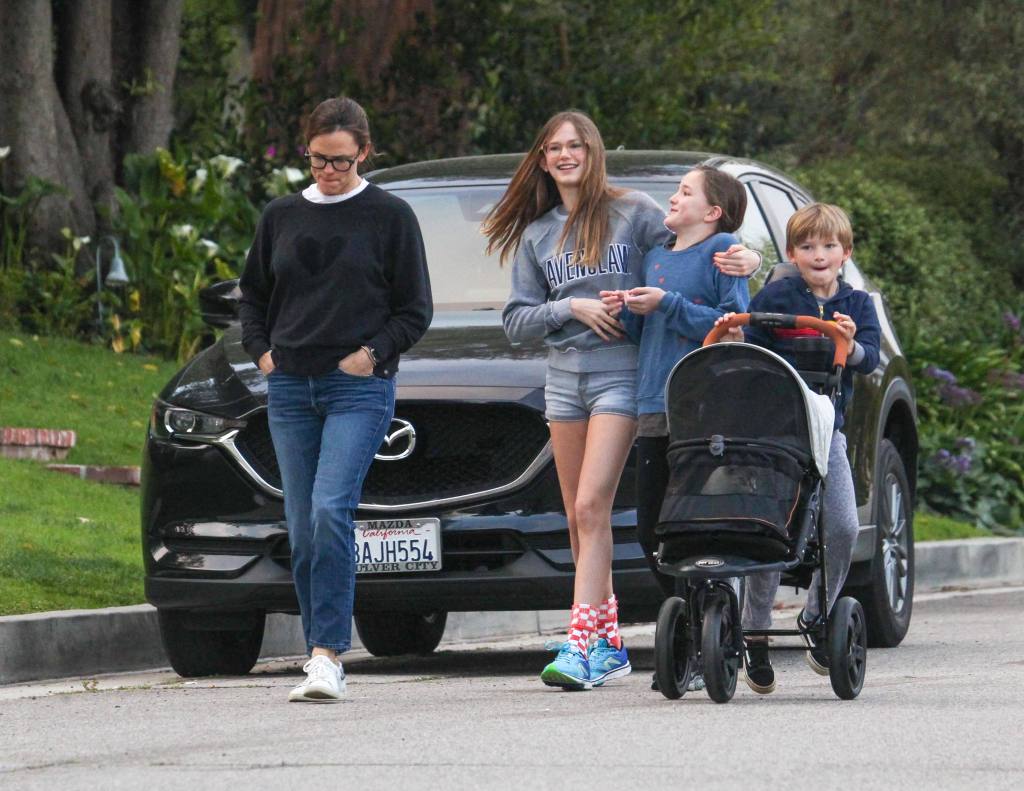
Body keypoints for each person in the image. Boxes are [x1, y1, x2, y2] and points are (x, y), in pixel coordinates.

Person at [483, 110, 760, 690]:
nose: (565, 155)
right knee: (577, 519)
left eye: (576, 145)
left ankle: (580, 640)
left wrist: (749, 258)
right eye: (554, 147)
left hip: (621, 376)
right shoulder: (537, 233)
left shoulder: (632, 212)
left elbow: (696, 247)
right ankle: (608, 644)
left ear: (594, 152)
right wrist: (571, 308)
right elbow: (516, 321)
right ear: (542, 158)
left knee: (592, 507)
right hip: (563, 382)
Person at [239, 97, 432, 703]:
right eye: (318, 160)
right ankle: (318, 652)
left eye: (341, 162)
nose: (327, 172)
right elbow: (252, 297)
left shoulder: (390, 216)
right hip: (291, 388)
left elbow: (414, 309)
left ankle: (327, 656)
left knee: (329, 509)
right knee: (301, 527)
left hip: (359, 388)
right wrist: (264, 354)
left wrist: (370, 355)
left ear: (364, 153)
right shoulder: (280, 216)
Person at [714, 202, 880, 695]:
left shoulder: (858, 304)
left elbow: (868, 359)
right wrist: (742, 333)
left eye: (829, 246)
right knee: (774, 528)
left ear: (844, 253)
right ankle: (757, 630)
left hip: (828, 431)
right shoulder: (780, 295)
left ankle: (816, 616)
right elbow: (757, 351)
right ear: (792, 253)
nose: (819, 254)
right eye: (807, 247)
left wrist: (851, 344)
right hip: (777, 430)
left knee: (843, 524)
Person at [601, 165, 751, 599]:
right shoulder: (655, 257)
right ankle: (687, 612)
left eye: (686, 192)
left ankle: (711, 614)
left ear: (712, 212)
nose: (673, 198)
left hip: (705, 404)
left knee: (700, 518)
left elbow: (732, 323)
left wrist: (667, 304)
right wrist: (627, 309)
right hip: (653, 402)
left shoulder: (724, 250)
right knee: (651, 528)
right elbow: (645, 331)